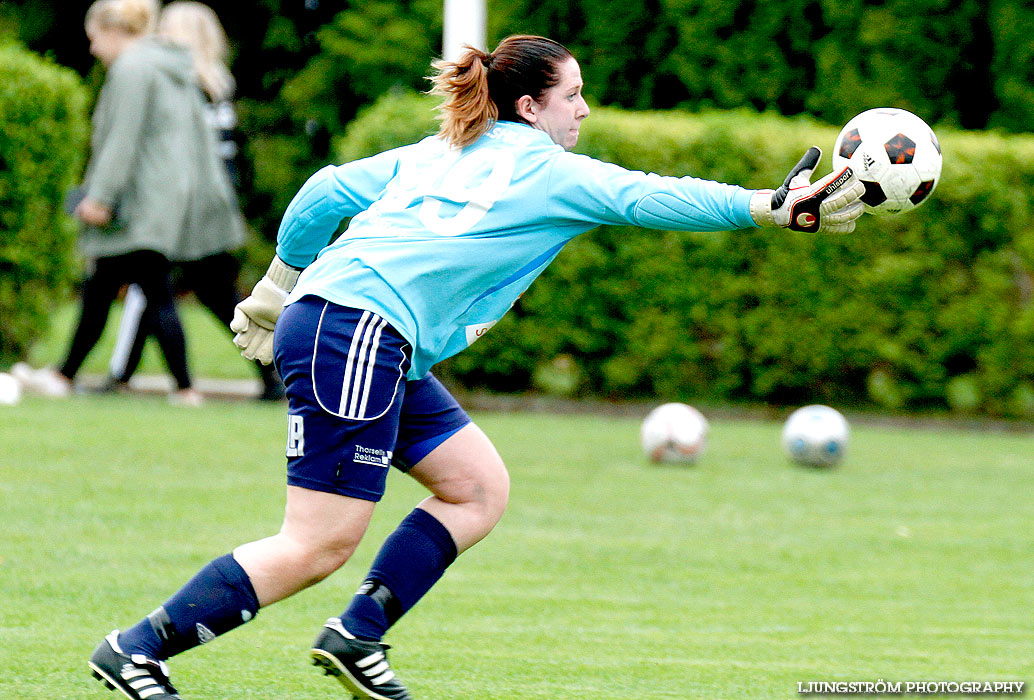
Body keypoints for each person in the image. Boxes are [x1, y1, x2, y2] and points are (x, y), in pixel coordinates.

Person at [87, 35, 863, 700]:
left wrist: (277, 289)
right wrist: (769, 205)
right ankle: (138, 648)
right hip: (358, 332)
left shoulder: (441, 150)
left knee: (478, 488)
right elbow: (652, 196)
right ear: (531, 107)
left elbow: (325, 190)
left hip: (353, 328)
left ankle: (357, 638)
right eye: (574, 96)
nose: (583, 111)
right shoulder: (552, 172)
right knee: (316, 544)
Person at [14, 0, 243, 407]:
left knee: (153, 292)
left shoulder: (132, 68)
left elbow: (121, 140)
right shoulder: (170, 68)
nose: (92, 48)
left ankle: (185, 388)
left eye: (94, 38)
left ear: (112, 29)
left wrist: (100, 197)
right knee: (102, 288)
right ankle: (65, 374)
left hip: (139, 204)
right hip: (161, 198)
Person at [103, 1, 286, 400]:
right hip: (215, 202)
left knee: (149, 286)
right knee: (218, 295)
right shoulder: (220, 84)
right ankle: (274, 372)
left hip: (181, 202)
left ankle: (130, 375)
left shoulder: (178, 83)